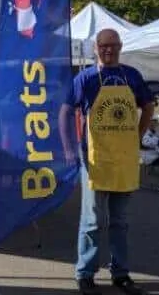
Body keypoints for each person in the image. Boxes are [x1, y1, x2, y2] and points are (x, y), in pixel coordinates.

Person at [59, 28, 155, 295]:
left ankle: (121, 273)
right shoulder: (86, 78)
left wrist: (137, 136)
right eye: (103, 46)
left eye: (113, 45)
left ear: (120, 46)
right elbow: (66, 111)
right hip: (94, 159)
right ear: (95, 49)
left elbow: (148, 106)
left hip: (123, 159)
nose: (108, 50)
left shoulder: (131, 76)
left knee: (120, 221)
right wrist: (69, 148)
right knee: (91, 221)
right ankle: (85, 274)